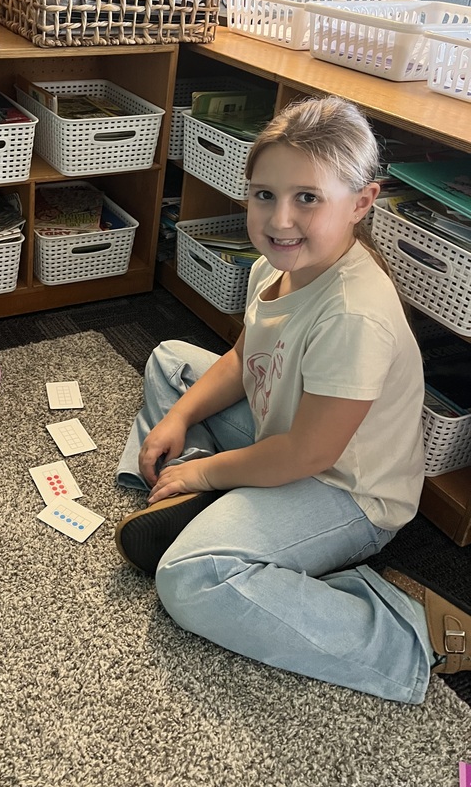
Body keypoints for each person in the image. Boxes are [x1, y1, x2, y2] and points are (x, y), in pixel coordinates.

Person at [114, 96, 470, 703]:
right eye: (263, 195)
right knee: (171, 361)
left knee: (192, 580)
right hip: (280, 436)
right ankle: (190, 494)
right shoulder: (274, 266)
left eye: (308, 198)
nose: (279, 220)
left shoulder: (354, 313)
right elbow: (242, 359)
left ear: (362, 202)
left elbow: (307, 453)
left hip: (344, 490)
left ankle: (413, 633)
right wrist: (176, 418)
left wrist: (202, 469)